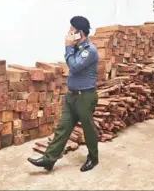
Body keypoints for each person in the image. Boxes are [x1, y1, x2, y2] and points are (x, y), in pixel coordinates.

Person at [28, 16, 100, 172]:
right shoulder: (77, 48)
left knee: (88, 129)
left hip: (85, 97)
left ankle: (93, 158)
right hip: (72, 96)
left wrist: (68, 47)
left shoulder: (90, 51)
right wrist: (71, 47)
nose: (69, 33)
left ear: (80, 33)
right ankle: (49, 160)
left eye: (72, 30)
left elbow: (74, 66)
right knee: (63, 128)